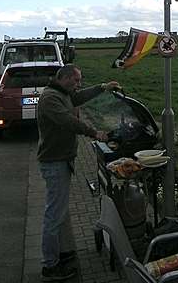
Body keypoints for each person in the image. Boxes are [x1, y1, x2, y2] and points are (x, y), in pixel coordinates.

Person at [37, 64, 121, 281]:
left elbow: (80, 96)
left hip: (62, 161)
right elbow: (67, 121)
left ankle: (63, 252)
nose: (78, 84)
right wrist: (94, 132)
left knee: (61, 213)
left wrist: (103, 87)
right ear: (63, 78)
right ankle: (50, 266)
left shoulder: (63, 93)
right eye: (75, 80)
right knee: (54, 215)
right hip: (54, 162)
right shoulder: (50, 98)